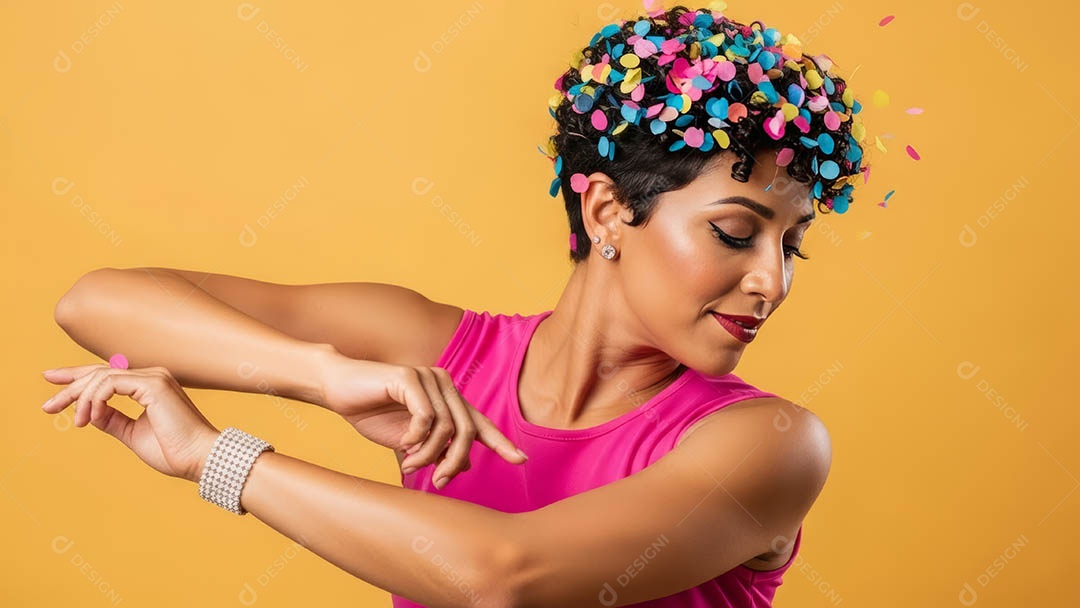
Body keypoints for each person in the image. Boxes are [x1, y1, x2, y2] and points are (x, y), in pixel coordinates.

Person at [41, 4, 868, 606]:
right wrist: (322, 377)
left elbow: (503, 575)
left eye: (790, 244)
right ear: (609, 211)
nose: (773, 280)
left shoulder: (771, 445)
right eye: (736, 233)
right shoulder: (440, 350)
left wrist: (214, 459)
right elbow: (100, 303)